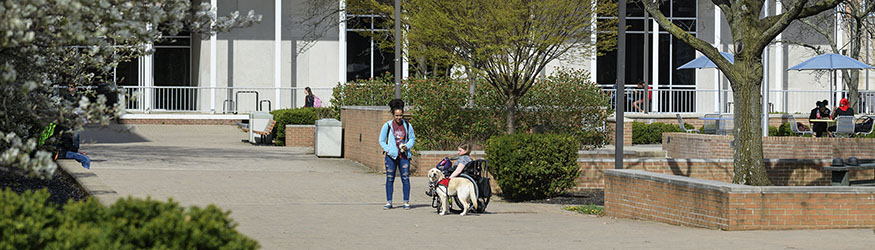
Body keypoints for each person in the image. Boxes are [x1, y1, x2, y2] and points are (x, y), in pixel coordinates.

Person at [378, 99, 415, 210]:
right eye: (397, 116)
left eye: (400, 115)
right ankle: (389, 201)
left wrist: (406, 146)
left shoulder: (408, 125)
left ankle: (406, 202)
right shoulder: (388, 125)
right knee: (390, 178)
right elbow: (381, 140)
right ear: (393, 115)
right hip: (391, 156)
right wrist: (388, 149)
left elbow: (412, 139)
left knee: (405, 178)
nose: (399, 118)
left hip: (404, 156)